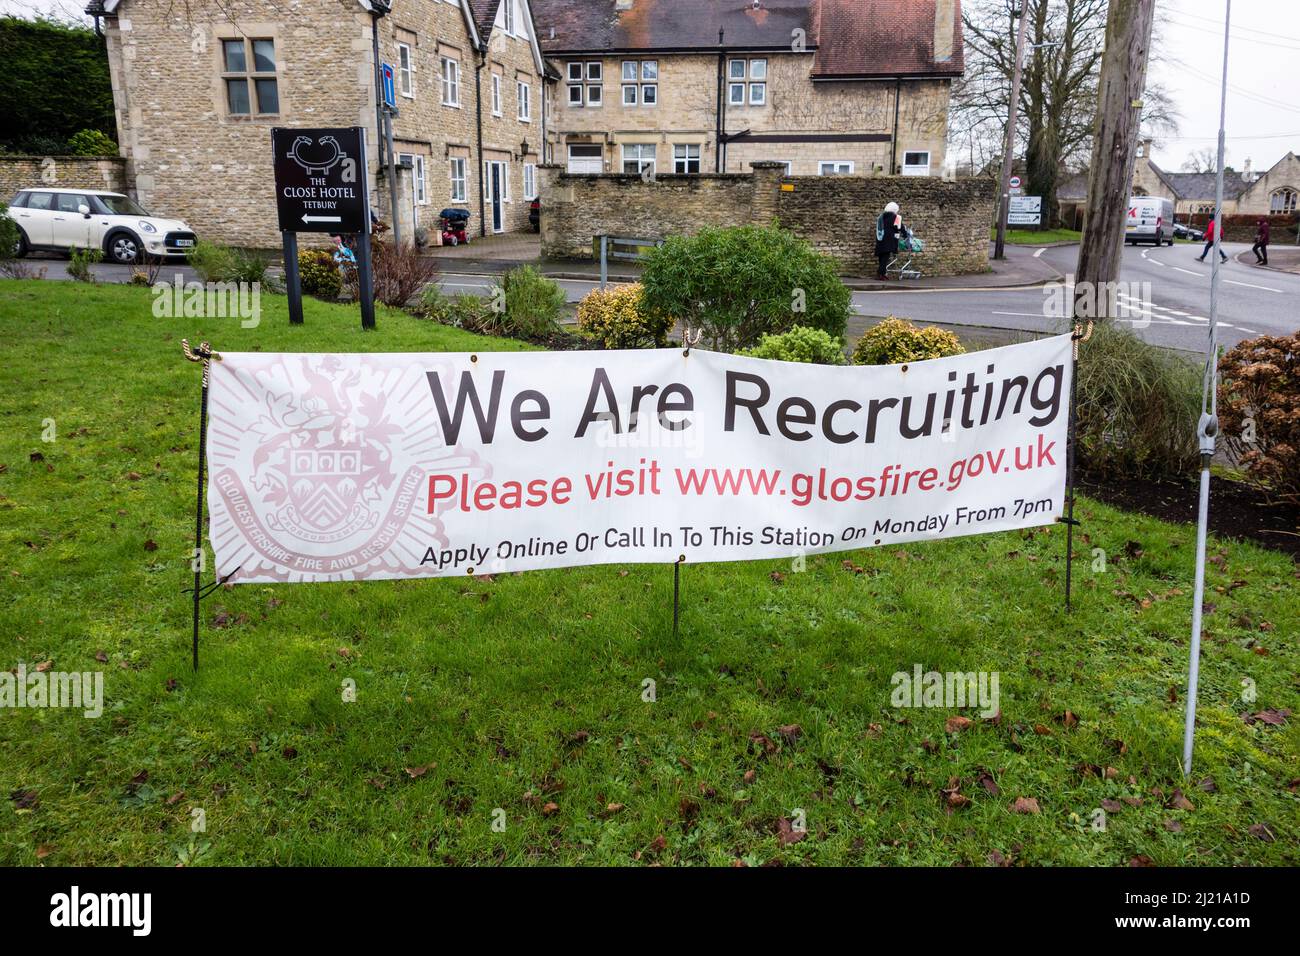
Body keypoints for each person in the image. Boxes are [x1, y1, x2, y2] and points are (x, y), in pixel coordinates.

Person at [875, 201, 902, 280]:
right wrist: (905, 234)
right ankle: (880, 274)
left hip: (880, 239)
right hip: (889, 240)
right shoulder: (896, 217)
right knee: (885, 258)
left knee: (881, 257)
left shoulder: (881, 216)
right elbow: (900, 227)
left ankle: (882, 274)